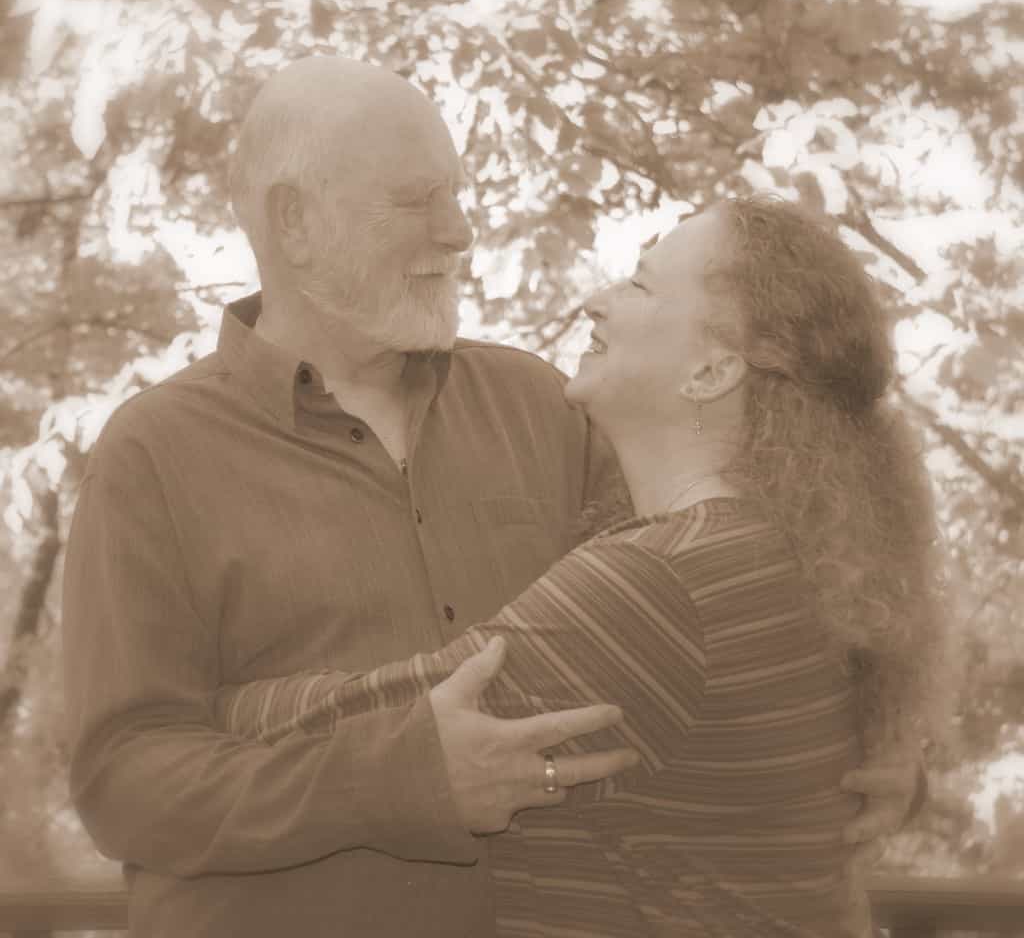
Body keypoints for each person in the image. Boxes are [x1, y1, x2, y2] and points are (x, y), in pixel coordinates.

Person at [61, 57, 923, 938]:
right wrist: (395, 778)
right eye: (417, 200)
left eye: (459, 195)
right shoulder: (153, 452)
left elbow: (746, 620)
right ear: (295, 219)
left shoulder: (545, 405)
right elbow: (123, 784)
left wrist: (873, 745)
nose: (460, 230)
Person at [212, 195, 945, 937]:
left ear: (712, 369)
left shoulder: (672, 579)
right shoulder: (776, 549)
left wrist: (200, 702)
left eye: (639, 285)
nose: (596, 301)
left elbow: (363, 728)